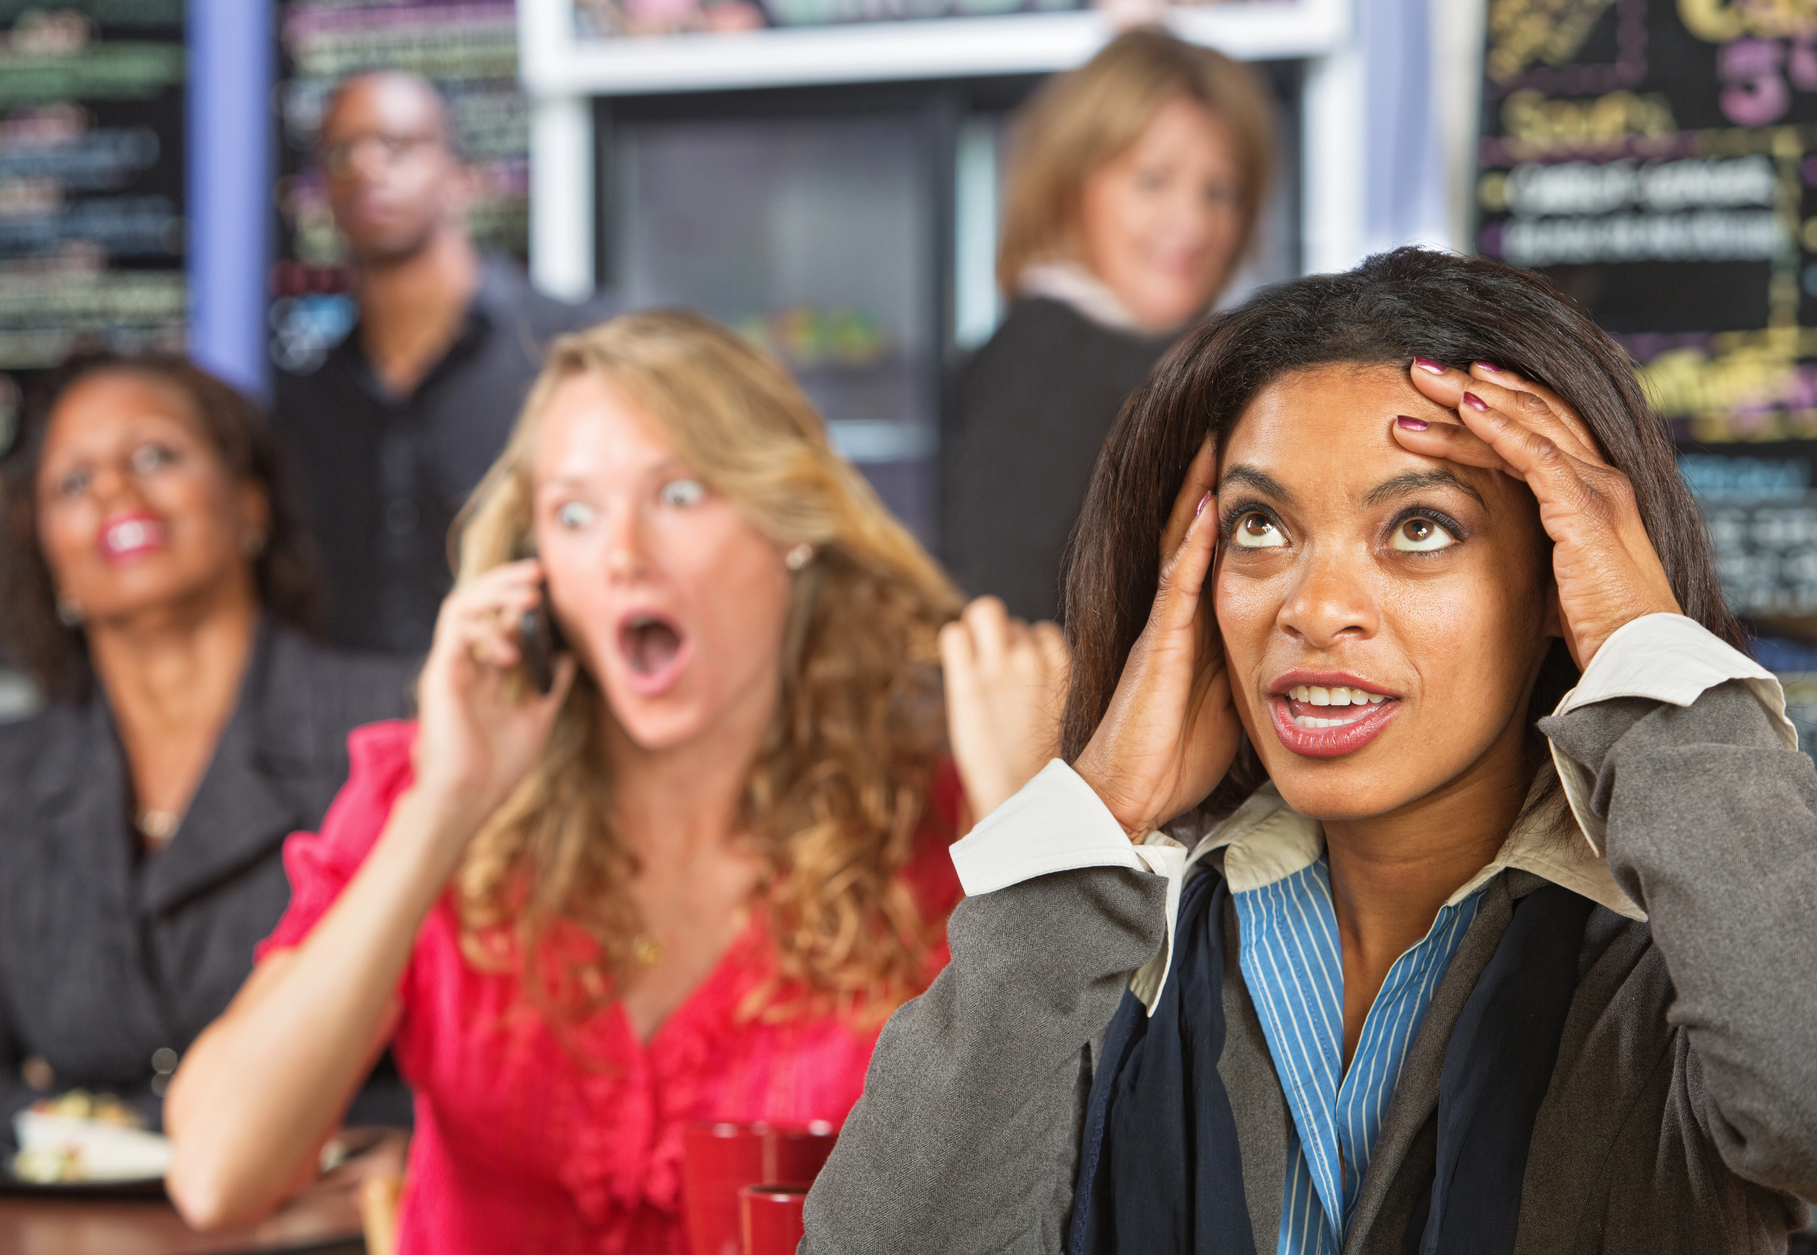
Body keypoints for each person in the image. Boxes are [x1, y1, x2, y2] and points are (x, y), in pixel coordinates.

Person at [803, 249, 1817, 1254]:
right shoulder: (1114, 950)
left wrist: (1639, 643)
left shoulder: (1689, 949)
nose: (1314, 608)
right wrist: (1101, 805)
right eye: (1259, 525)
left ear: (1559, 580)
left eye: (1418, 527)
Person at [163, 311, 1066, 1251]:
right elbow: (221, 1169)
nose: (623, 555)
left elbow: (1059, 1195)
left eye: (678, 494)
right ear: (537, 569)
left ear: (787, 526)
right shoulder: (425, 793)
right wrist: (445, 804)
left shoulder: (950, 823)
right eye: (575, 514)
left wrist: (1031, 836)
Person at [0, 355, 417, 1157]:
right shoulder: (11, 769)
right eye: (74, 482)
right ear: (50, 558)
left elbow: (479, 1066)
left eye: (154, 456)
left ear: (250, 504)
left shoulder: (392, 724)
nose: (114, 490)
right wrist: (122, 1140)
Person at [942, 28, 1276, 622]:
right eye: (1153, 180)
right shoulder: (1033, 371)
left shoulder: (1176, 359)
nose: (1192, 222)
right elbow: (1015, 632)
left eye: (1220, 191)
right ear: (1070, 187)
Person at [273, 70, 598, 656]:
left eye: (397, 146)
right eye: (342, 153)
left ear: (463, 177)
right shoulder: (306, 397)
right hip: (358, 735)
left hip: (542, 716)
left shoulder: (573, 352)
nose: (367, 168)